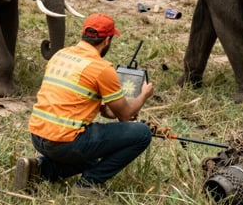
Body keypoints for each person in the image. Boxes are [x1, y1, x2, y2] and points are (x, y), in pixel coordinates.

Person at [16, 13, 154, 194]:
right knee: (142, 133)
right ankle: (88, 184)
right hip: (64, 143)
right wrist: (144, 95)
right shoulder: (100, 68)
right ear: (107, 41)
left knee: (91, 158)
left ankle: (39, 170)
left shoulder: (60, 54)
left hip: (37, 136)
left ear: (84, 34)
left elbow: (81, 101)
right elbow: (126, 116)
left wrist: (107, 108)